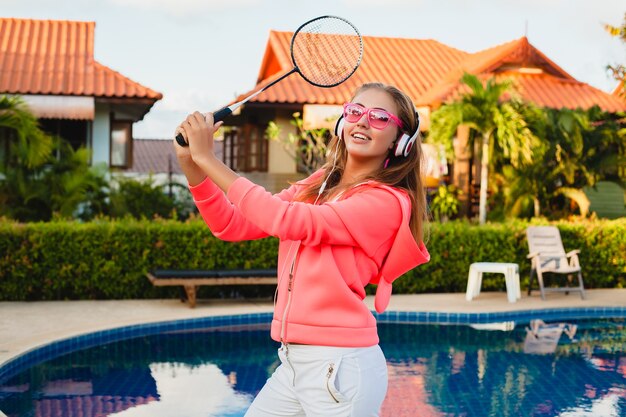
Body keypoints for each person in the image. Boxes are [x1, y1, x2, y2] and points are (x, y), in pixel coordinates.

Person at [174, 82, 430, 417]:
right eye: (355, 111)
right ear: (342, 123)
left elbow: (285, 219)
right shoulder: (320, 183)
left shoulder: (386, 201)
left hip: (340, 367)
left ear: (401, 142)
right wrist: (193, 165)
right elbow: (232, 225)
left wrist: (208, 158)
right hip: (295, 362)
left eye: (380, 117)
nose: (363, 121)